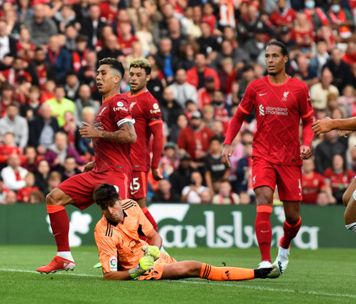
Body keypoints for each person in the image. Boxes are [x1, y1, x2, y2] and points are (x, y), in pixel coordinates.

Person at [221, 41, 314, 274]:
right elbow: (238, 117)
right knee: (263, 199)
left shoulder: (300, 89)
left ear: (285, 59)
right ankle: (264, 261)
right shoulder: (255, 87)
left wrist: (307, 144)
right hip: (263, 154)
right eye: (267, 56)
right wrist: (227, 142)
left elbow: (309, 121)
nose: (270, 60)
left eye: (274, 56)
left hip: (291, 158)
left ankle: (284, 246)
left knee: (293, 218)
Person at [37, 58, 136, 274]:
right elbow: (112, 144)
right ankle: (64, 257)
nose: (98, 77)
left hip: (115, 174)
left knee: (120, 219)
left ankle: (150, 255)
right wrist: (96, 161)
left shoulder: (118, 102)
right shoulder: (103, 106)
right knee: (54, 197)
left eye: (103, 73)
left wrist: (97, 133)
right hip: (99, 170)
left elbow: (130, 136)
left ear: (116, 79)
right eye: (97, 73)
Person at [92, 183, 278, 280]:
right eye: (104, 208)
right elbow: (109, 276)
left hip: (154, 258)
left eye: (112, 205)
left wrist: (155, 249)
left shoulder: (131, 205)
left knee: (183, 266)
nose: (110, 211)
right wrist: (135, 271)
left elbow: (154, 236)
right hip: (144, 270)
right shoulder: (102, 231)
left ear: (118, 200)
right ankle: (259, 272)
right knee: (193, 267)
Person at [122, 58, 164, 235]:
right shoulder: (121, 98)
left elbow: (159, 135)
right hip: (119, 162)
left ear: (148, 77)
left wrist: (155, 166)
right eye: (131, 74)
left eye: (138, 75)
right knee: (120, 208)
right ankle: (123, 253)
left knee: (139, 207)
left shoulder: (149, 101)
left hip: (137, 162)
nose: (133, 78)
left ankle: (157, 247)